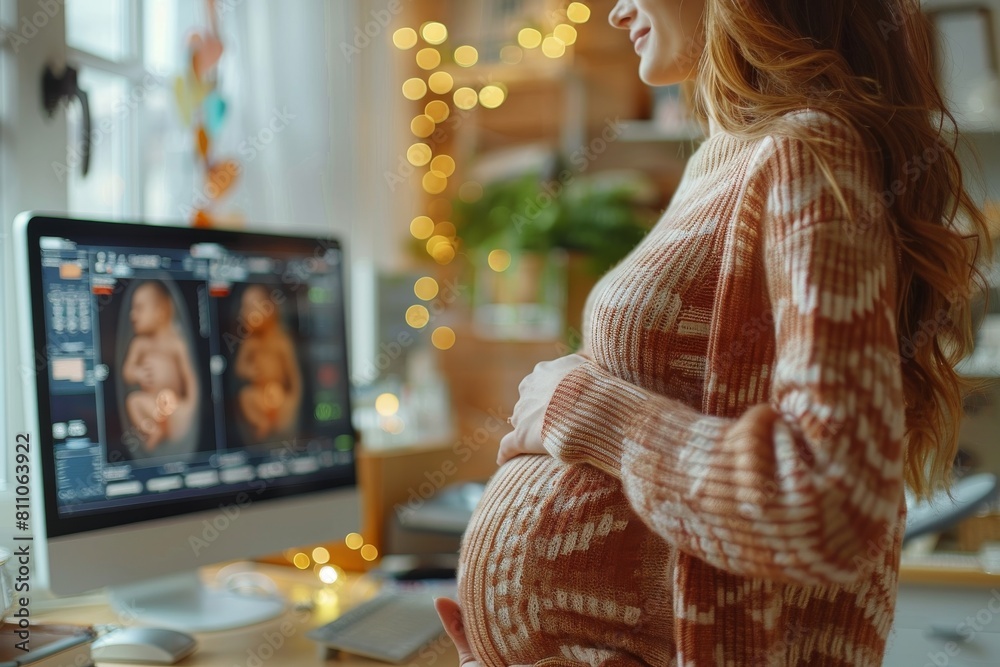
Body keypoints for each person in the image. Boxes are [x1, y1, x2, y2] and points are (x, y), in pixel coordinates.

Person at [437, 0, 992, 665]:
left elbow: (831, 503)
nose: (615, 12)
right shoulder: (730, 157)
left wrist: (581, 407)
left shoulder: (807, 149)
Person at [122, 281, 198, 452]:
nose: (132, 315)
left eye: (139, 309)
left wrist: (191, 404)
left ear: (160, 313)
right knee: (133, 401)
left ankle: (165, 429)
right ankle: (153, 430)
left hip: (175, 405)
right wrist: (137, 373)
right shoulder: (139, 344)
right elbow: (127, 371)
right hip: (152, 403)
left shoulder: (176, 344)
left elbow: (189, 376)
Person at [233, 284, 302, 441]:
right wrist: (248, 370)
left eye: (250, 307)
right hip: (260, 394)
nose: (243, 313)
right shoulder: (250, 343)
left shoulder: (281, 341)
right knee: (246, 396)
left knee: (284, 409)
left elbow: (294, 375)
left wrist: (293, 400)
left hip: (279, 394)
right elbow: (239, 368)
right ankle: (261, 422)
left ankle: (277, 425)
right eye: (243, 308)